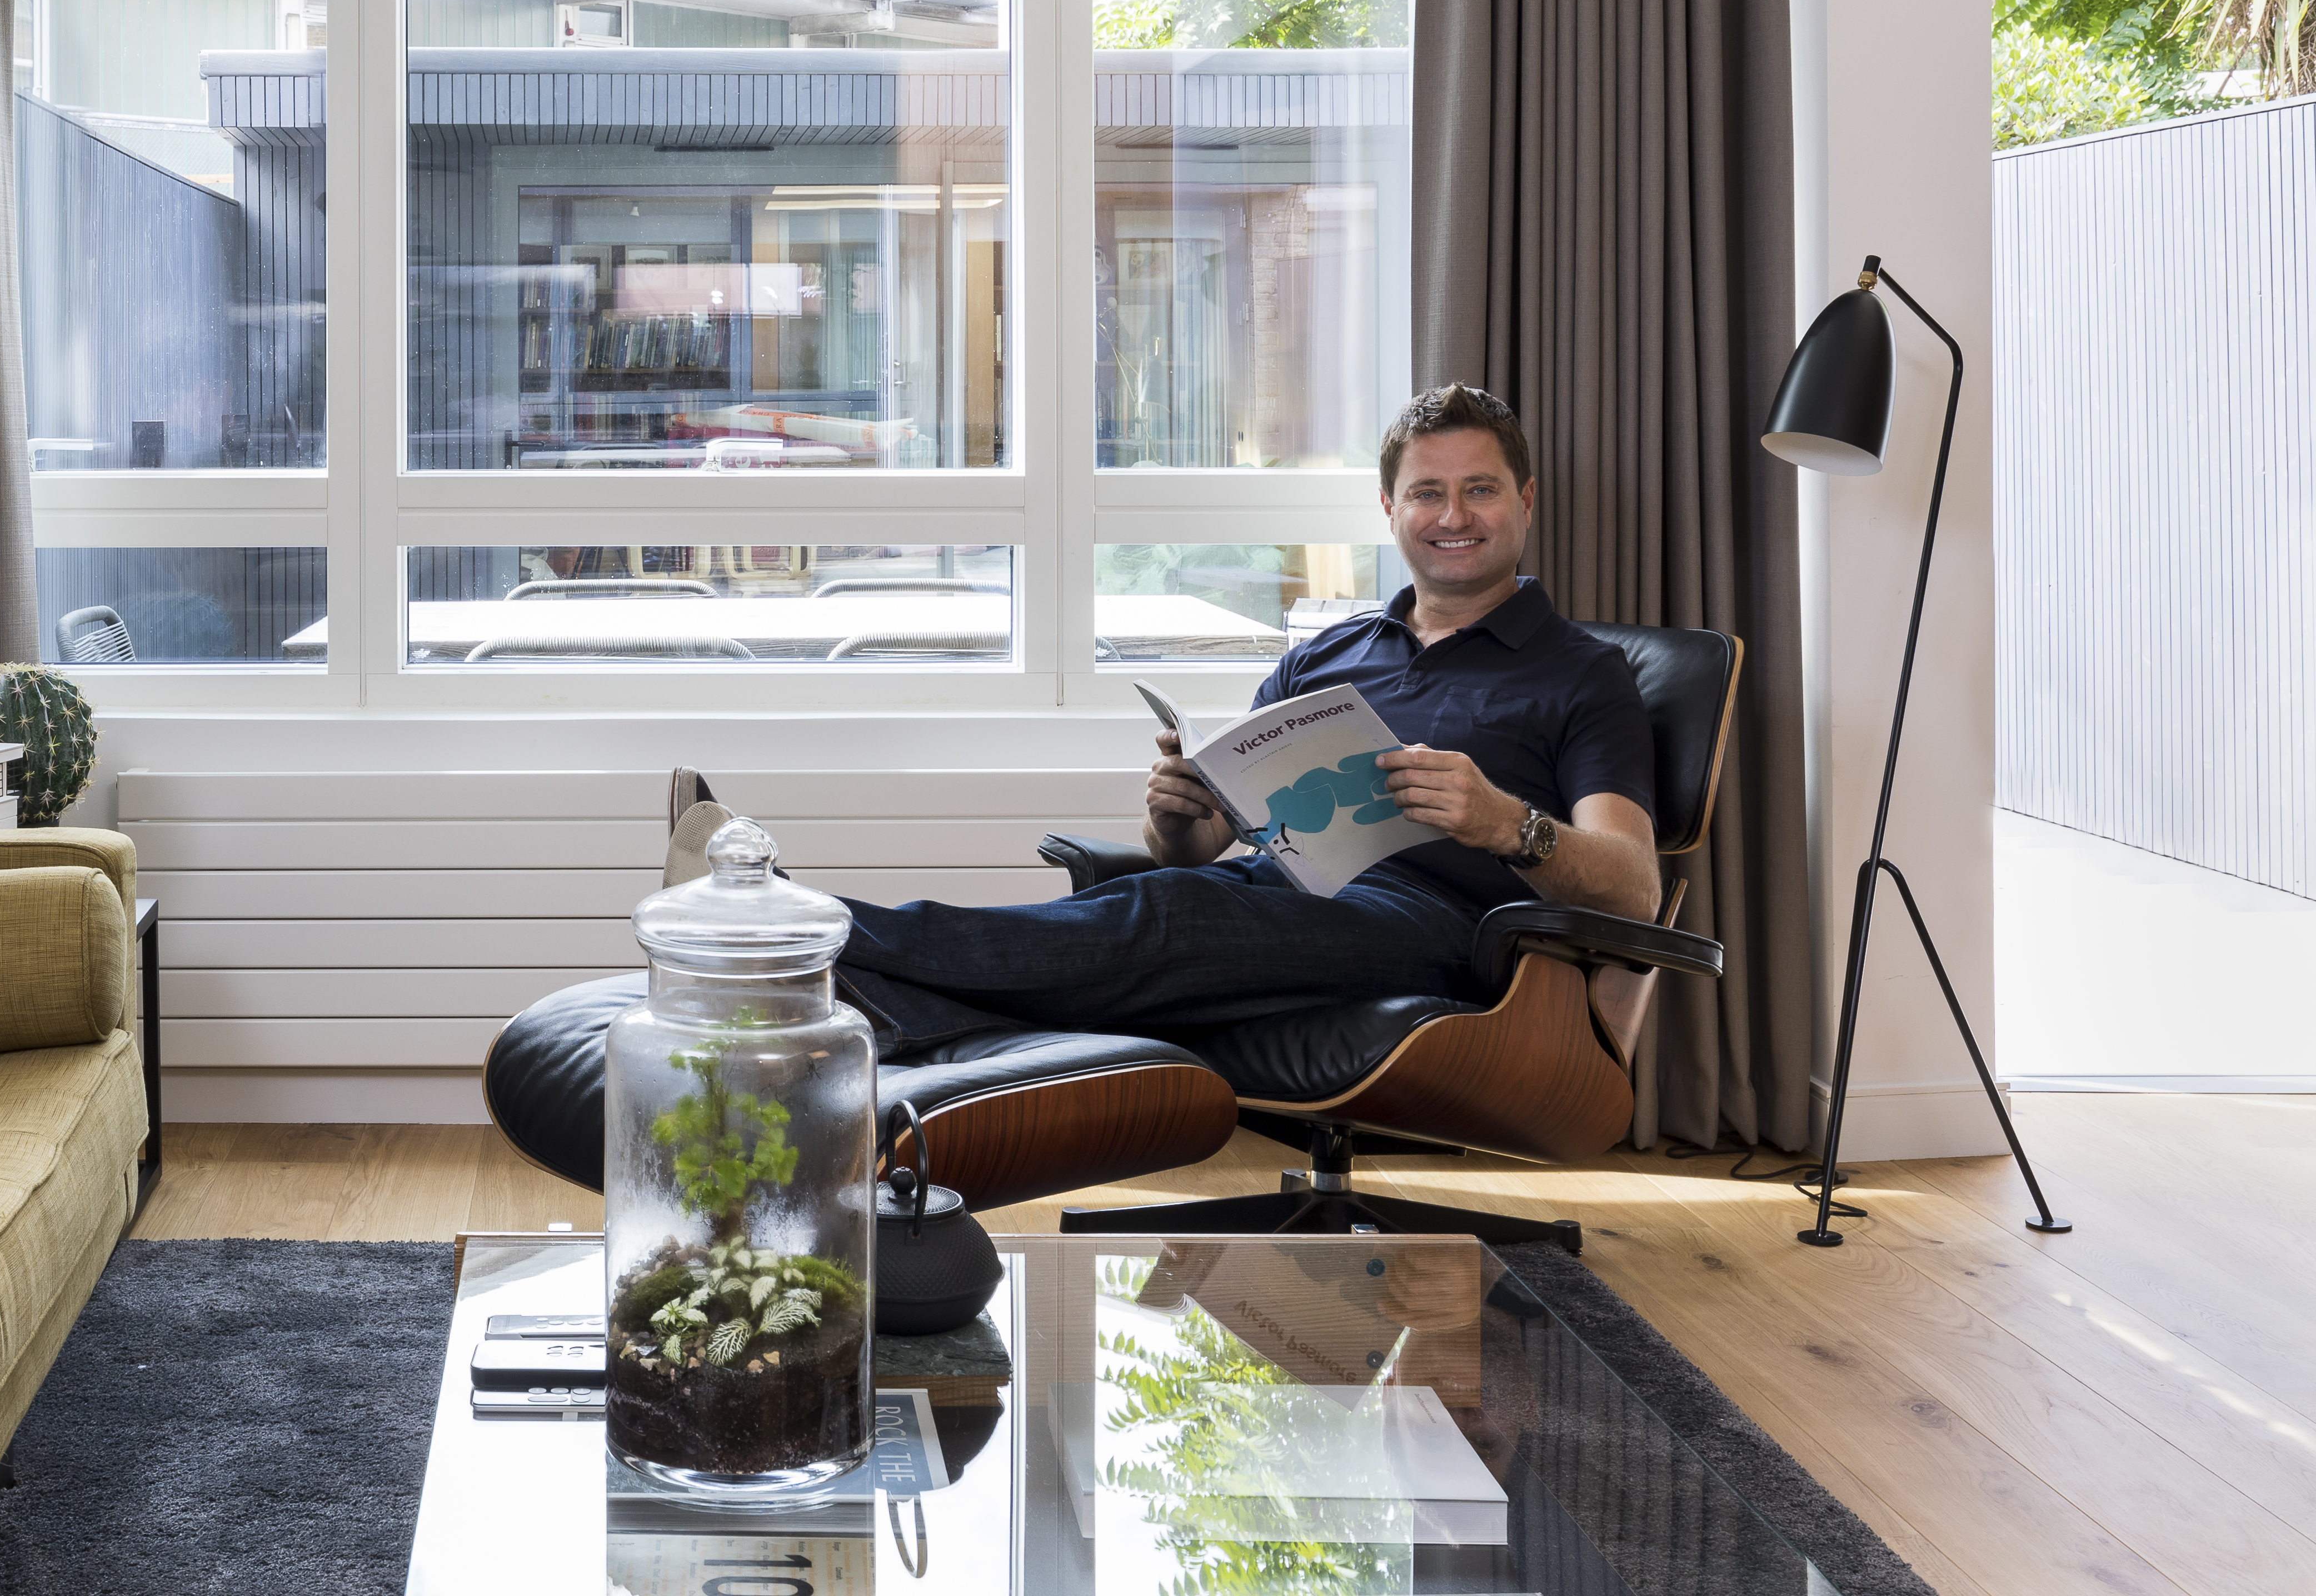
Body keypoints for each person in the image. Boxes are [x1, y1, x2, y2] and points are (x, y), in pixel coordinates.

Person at [693, 384, 1659, 1089]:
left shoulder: (1581, 673)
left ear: (1526, 500)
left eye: (1480, 490)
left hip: (1443, 934)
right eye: (1427, 494)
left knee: (1163, 916)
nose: (1453, 517)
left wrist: (1506, 825)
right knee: (1160, 895)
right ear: (1390, 510)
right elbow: (1204, 847)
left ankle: (789, 927)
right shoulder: (1329, 655)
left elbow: (1634, 886)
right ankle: (854, 995)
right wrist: (1179, 815)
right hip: (1279, 896)